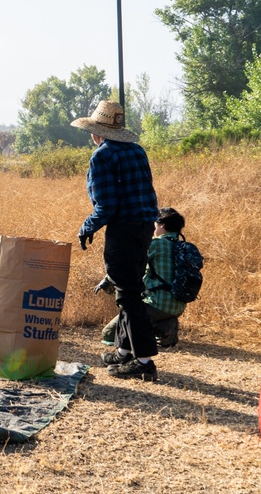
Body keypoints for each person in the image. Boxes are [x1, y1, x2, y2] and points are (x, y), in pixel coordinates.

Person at [73, 101, 160, 382]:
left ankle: (144, 361)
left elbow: (106, 206)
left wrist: (87, 228)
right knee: (130, 287)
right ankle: (123, 351)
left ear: (96, 132)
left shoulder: (102, 156)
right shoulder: (136, 150)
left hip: (122, 229)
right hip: (144, 227)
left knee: (128, 295)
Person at [100, 207, 188, 349]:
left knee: (109, 333)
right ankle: (166, 324)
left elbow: (130, 263)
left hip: (157, 305)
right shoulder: (182, 246)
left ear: (162, 225)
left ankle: (162, 327)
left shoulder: (156, 244)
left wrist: (109, 278)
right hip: (177, 306)